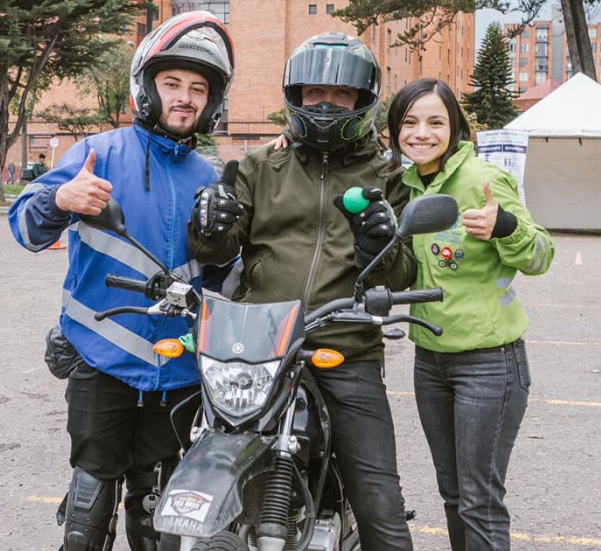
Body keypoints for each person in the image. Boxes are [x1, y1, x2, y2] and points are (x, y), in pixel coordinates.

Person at [8, 11, 235, 551]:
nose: (185, 97)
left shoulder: (212, 176)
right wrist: (58, 199)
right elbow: (25, 227)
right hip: (99, 354)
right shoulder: (99, 152)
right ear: (147, 88)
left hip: (179, 364)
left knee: (158, 504)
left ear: (212, 102)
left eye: (198, 89)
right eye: (172, 83)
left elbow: (226, 275)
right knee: (93, 490)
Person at [189, 32, 417, 549]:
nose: (327, 103)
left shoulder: (388, 176)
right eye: (315, 92)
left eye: (342, 95)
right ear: (296, 95)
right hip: (256, 349)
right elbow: (214, 251)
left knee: (380, 503)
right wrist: (208, 222)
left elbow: (401, 277)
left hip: (347, 348)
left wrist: (377, 245)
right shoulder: (257, 167)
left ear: (363, 101)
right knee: (205, 472)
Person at [385, 78, 554, 551]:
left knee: (479, 499)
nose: (421, 133)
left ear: (455, 127)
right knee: (454, 493)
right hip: (430, 361)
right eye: (409, 122)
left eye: (435, 122)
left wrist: (506, 227)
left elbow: (542, 256)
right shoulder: (405, 186)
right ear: (395, 130)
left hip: (489, 364)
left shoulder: (483, 179)